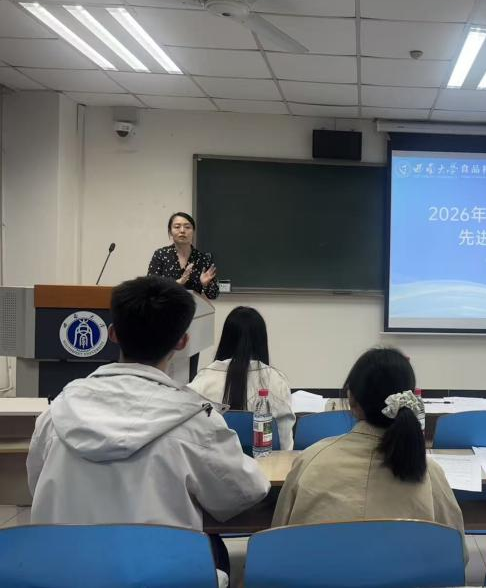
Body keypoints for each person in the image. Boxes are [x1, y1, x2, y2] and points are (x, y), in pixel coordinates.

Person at [27, 276, 270, 585]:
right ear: (182, 341)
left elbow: (36, 487)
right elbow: (245, 492)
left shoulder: (56, 413)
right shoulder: (196, 422)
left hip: (64, 577)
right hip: (159, 578)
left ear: (113, 334)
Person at [272, 347, 465, 556]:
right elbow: (457, 555)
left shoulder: (310, 461)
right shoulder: (429, 473)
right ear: (409, 399)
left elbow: (277, 543)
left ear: (351, 398)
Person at [189, 306, 295, 450]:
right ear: (261, 341)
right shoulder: (276, 380)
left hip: (212, 463)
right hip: (265, 463)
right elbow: (285, 444)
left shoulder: (203, 380)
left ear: (226, 339)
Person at [148, 212, 218, 379]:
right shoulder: (161, 255)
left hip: (193, 320)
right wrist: (177, 283)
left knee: (189, 371)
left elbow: (214, 294)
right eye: (177, 227)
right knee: (162, 367)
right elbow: (150, 287)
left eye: (187, 227)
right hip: (163, 318)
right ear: (170, 231)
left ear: (193, 231)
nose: (182, 231)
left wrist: (205, 284)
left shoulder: (202, 258)